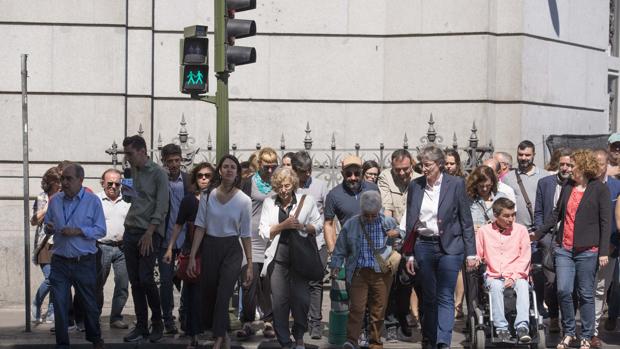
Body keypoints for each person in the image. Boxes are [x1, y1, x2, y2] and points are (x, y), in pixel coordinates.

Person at [534, 149, 611, 349]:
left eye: (573, 165)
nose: (569, 168)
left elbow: (605, 222)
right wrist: (538, 233)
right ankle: (568, 332)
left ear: (584, 167)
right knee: (563, 290)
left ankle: (586, 335)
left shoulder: (599, 189)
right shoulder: (568, 186)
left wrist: (603, 251)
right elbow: (555, 214)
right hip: (564, 248)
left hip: (588, 250)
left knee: (585, 293)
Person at [402, 145, 477, 349]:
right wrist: (408, 254)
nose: (424, 169)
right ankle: (430, 337)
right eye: (422, 165)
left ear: (440, 164)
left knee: (445, 294)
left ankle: (443, 341)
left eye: (428, 165)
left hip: (450, 247)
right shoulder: (416, 186)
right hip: (423, 246)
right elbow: (411, 221)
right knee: (429, 295)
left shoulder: (456, 184)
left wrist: (471, 253)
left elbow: (466, 220)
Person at [186, 155, 253, 349]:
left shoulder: (244, 200)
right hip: (210, 246)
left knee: (224, 293)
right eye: (226, 166)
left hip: (232, 248)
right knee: (210, 293)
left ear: (237, 173)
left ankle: (217, 339)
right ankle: (223, 334)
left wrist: (249, 264)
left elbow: (246, 234)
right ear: (220, 171)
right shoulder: (208, 195)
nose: (230, 170)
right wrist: (192, 256)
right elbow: (200, 227)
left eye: (233, 167)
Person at [259, 167, 323, 349]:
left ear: (293, 184)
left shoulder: (307, 200)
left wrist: (302, 226)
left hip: (300, 259)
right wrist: (283, 225)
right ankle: (285, 342)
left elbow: (318, 226)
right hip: (277, 258)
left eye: (286, 185)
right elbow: (264, 231)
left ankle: (300, 337)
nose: (283, 190)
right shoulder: (269, 203)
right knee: (279, 303)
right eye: (279, 186)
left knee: (302, 300)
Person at [45, 163, 106, 349]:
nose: (64, 182)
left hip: (84, 262)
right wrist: (48, 227)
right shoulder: (55, 200)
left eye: (68, 179)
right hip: (60, 262)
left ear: (80, 180)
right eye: (62, 178)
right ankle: (62, 344)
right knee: (60, 306)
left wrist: (79, 231)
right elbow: (49, 223)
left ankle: (95, 339)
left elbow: (101, 230)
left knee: (89, 304)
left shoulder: (92, 201)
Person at [330, 191, 402, 349]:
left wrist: (397, 233)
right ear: (361, 210)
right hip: (359, 272)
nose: (370, 218)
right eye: (366, 214)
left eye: (373, 215)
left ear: (379, 210)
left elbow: (404, 233)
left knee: (379, 309)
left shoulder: (387, 221)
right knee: (356, 308)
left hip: (381, 273)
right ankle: (351, 340)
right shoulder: (352, 224)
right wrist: (335, 265)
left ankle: (375, 341)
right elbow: (340, 247)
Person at [122, 135, 170, 343]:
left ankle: (157, 322)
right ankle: (141, 325)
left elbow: (162, 206)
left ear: (143, 151)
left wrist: (150, 232)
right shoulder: (131, 170)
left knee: (146, 278)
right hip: (131, 229)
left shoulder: (159, 173)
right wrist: (126, 184)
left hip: (148, 232)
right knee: (135, 281)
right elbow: (128, 199)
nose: (127, 158)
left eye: (130, 154)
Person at [163, 162, 214, 348]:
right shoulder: (188, 200)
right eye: (200, 175)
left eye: (207, 175)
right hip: (190, 250)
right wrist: (170, 248)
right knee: (191, 292)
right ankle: (192, 332)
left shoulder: (218, 199)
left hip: (212, 251)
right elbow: (178, 224)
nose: (203, 179)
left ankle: (208, 330)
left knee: (210, 293)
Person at [502, 140, 548, 316]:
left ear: (534, 155)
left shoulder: (544, 176)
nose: (523, 158)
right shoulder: (509, 177)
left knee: (538, 272)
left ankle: (538, 309)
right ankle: (515, 308)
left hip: (537, 233)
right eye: (520, 155)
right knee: (516, 274)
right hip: (514, 234)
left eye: (527, 155)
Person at [476, 198, 532, 343]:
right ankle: (501, 328)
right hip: (494, 275)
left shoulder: (521, 231)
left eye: (513, 215)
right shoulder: (484, 232)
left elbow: (525, 258)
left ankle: (522, 327)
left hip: (516, 274)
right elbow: (478, 254)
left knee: (523, 285)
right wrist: (474, 259)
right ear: (496, 215)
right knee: (495, 285)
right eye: (506, 216)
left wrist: (513, 277)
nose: (511, 219)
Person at [237, 147, 277, 340]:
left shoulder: (278, 183)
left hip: (270, 239)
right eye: (267, 167)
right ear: (259, 164)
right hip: (250, 238)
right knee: (249, 280)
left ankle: (269, 321)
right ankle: (247, 322)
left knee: (267, 282)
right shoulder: (248, 183)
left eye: (273, 167)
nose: (271, 171)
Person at [377, 149, 417, 340]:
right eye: (397, 170)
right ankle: (391, 321)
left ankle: (404, 316)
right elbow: (387, 209)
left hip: (413, 234)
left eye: (405, 169)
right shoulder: (385, 177)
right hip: (392, 235)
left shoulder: (419, 179)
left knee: (406, 281)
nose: (401, 173)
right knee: (390, 281)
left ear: (412, 165)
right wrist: (393, 234)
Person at [534, 147, 572, 333]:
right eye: (562, 164)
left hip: (569, 239)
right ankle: (554, 317)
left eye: (568, 165)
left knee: (567, 283)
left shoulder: (576, 185)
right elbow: (539, 212)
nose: (565, 168)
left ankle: (569, 320)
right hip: (549, 238)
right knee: (550, 281)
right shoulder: (545, 183)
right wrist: (542, 237)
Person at [291, 151, 329, 339]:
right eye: (302, 171)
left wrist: (330, 244)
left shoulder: (320, 186)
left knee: (316, 282)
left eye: (308, 171)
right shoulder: (289, 187)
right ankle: (300, 321)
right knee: (298, 283)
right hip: (295, 243)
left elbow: (328, 217)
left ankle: (315, 323)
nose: (306, 175)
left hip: (317, 242)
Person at [159, 143, 193, 335]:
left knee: (188, 280)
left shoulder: (188, 180)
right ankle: (167, 319)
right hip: (165, 240)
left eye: (177, 160)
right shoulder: (160, 180)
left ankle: (185, 315)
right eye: (170, 161)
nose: (174, 164)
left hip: (186, 240)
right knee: (165, 282)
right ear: (164, 161)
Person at [591, 149, 620, 348]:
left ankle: (593, 331)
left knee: (601, 289)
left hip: (609, 248)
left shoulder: (617, 186)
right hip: (587, 247)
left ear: (607, 164)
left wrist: (613, 243)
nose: (598, 167)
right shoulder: (584, 185)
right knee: (584, 289)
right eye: (595, 163)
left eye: (602, 163)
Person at [96, 168, 130, 330]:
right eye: (110, 183)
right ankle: (94, 316)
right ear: (103, 183)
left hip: (123, 249)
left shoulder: (128, 200)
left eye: (117, 183)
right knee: (97, 284)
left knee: (122, 285)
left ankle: (116, 317)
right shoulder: (95, 200)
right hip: (101, 247)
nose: (113, 187)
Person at [324, 155, 379, 254]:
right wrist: (333, 250)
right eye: (349, 174)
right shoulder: (334, 195)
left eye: (357, 173)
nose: (353, 177)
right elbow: (328, 224)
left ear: (362, 172)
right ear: (342, 174)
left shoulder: (373, 189)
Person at [31, 167, 61, 324]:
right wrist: (48, 207)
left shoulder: (65, 197)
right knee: (51, 278)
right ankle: (36, 303)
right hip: (45, 243)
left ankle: (51, 310)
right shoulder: (42, 197)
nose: (61, 185)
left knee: (58, 279)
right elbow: (34, 220)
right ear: (50, 182)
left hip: (61, 242)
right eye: (57, 182)